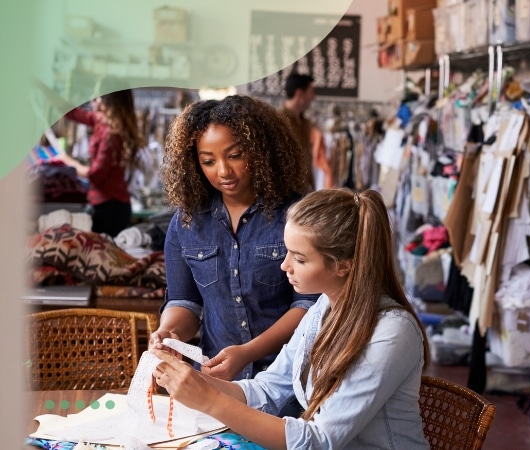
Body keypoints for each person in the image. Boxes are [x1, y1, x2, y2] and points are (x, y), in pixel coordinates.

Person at [152, 188, 432, 450]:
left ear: (344, 266)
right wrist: (187, 378)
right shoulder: (323, 309)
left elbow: (319, 441)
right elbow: (268, 388)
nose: (284, 265)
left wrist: (209, 400)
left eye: (299, 258)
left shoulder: (392, 331)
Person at [150, 94, 318, 382]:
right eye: (208, 161)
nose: (223, 171)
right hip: (217, 382)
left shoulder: (296, 216)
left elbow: (310, 305)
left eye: (235, 155)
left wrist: (247, 352)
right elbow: (184, 301)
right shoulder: (187, 222)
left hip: (287, 381)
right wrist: (171, 332)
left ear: (260, 150)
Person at [37, 77, 145, 237]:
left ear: (107, 100)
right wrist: (42, 88)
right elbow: (71, 112)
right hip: (109, 205)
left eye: (98, 95)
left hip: (111, 209)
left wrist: (69, 161)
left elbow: (96, 175)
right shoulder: (102, 122)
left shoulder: (111, 134)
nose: (94, 99)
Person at [279, 72, 332, 191]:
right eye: (311, 92)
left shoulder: (305, 123)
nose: (313, 97)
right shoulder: (279, 121)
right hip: (286, 192)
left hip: (304, 191)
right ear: (299, 94)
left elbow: (307, 159)